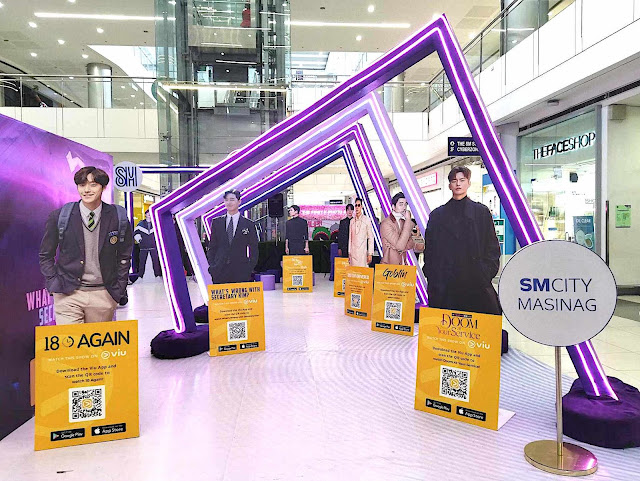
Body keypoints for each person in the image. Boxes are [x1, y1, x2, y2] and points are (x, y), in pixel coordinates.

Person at [39, 166, 133, 324]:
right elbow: (45, 255)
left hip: (103, 294)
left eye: (93, 185)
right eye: (82, 185)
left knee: (97, 341)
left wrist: (119, 287)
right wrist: (53, 282)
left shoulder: (118, 216)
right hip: (68, 294)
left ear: (103, 187)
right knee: (70, 340)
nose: (87, 190)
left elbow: (125, 254)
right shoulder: (60, 216)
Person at [423, 166, 501, 315]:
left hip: (475, 281)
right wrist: (433, 274)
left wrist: (485, 273)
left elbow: (491, 245)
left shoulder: (481, 212)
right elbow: (430, 249)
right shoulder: (437, 215)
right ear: (449, 185)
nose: (458, 184)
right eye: (454, 181)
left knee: (476, 325)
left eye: (462, 180)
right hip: (445, 283)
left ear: (468, 183)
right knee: (445, 325)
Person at [207, 189, 259, 284]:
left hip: (241, 271)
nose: (229, 202)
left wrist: (249, 267)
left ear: (239, 201)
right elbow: (212, 246)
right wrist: (213, 266)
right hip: (219, 270)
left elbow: (254, 248)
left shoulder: (248, 224)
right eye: (226, 200)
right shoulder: (217, 222)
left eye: (232, 199)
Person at [380, 192, 424, 265]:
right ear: (393, 207)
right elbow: (400, 246)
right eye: (401, 204)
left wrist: (418, 234)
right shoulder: (386, 223)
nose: (404, 208)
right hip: (389, 267)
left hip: (403, 267)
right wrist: (408, 220)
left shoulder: (404, 223)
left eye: (405, 204)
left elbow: (420, 246)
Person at [134, 209, 162, 278]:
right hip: (143, 246)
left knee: (156, 262)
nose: (149, 214)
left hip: (154, 246)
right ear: (145, 214)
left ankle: (158, 275)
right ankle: (140, 276)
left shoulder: (156, 223)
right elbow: (136, 233)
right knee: (142, 262)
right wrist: (139, 240)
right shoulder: (140, 224)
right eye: (147, 213)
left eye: (150, 213)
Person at [348, 197, 374, 267]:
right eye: (355, 205)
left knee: (362, 272)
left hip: (363, 254)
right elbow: (350, 239)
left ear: (362, 207)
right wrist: (349, 253)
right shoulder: (352, 221)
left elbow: (371, 238)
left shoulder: (367, 220)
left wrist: (370, 254)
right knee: (353, 273)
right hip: (353, 254)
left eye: (358, 205)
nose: (357, 207)